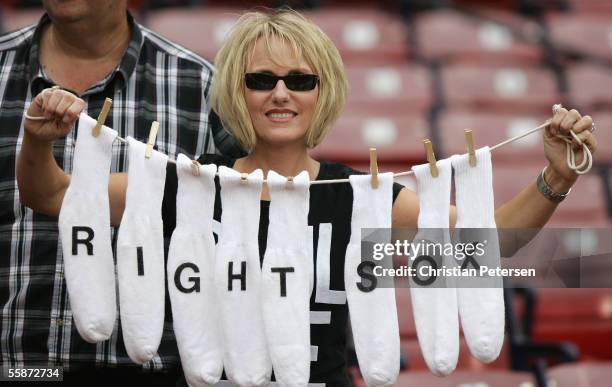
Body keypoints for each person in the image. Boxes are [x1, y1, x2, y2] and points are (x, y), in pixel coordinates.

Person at [17, 8, 597, 385]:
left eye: (300, 80)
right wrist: (37, 142)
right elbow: (54, 198)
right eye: (260, 79)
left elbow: (489, 248)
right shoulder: (189, 181)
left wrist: (556, 177)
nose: (280, 94)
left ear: (325, 92)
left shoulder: (359, 196)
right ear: (235, 93)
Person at [1, 0, 242, 384]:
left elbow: (251, 224)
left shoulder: (199, 84)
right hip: (19, 368)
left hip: (151, 370)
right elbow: (49, 194)